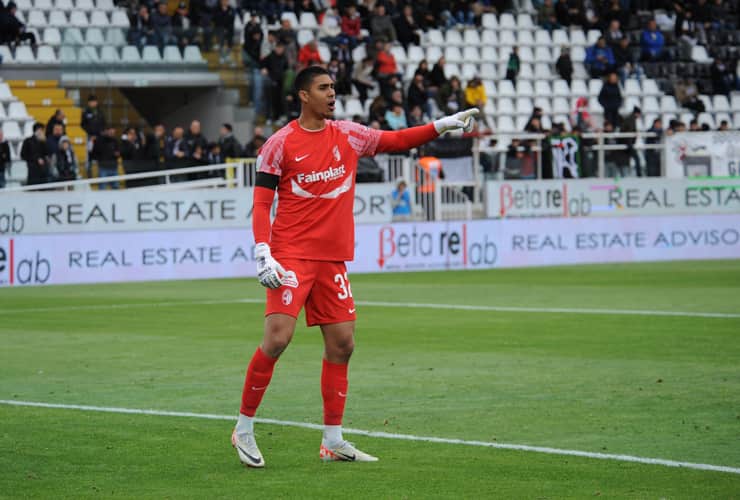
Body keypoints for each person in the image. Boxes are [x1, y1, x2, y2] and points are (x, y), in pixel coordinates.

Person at [231, 65, 478, 467]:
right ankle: (243, 428)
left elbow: (396, 139)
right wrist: (263, 250)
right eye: (323, 88)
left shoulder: (348, 133)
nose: (332, 94)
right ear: (303, 96)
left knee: (343, 344)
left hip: (332, 258)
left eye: (333, 87)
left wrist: (440, 126)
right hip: (291, 253)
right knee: (277, 339)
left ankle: (332, 440)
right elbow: (261, 203)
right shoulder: (279, 144)